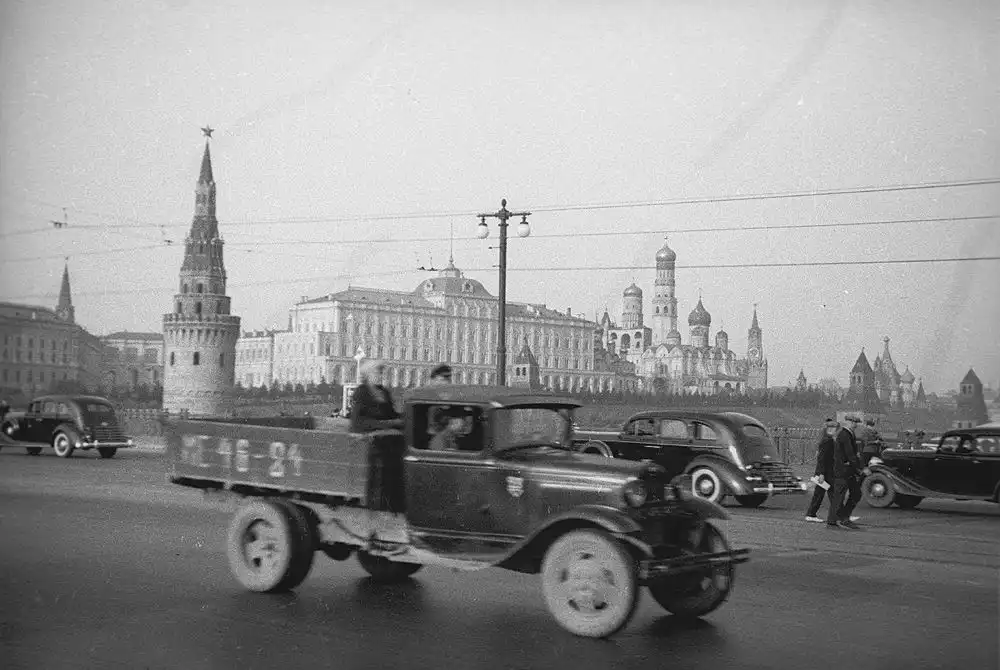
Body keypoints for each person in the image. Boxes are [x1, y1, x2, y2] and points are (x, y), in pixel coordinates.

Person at [827, 416, 865, 529]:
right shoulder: (845, 435)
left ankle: (840, 518)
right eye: (853, 422)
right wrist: (860, 468)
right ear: (847, 422)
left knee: (854, 494)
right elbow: (850, 454)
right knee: (840, 496)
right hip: (843, 470)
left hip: (847, 470)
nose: (855, 424)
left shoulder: (848, 434)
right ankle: (837, 520)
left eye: (856, 422)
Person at [349, 360, 403, 433]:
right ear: (367, 375)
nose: (381, 376)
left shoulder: (384, 392)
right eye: (377, 373)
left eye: (381, 373)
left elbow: (392, 415)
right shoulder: (361, 392)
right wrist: (389, 423)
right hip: (366, 435)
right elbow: (358, 422)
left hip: (385, 432)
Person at [805, 418, 837, 522]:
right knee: (825, 494)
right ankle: (811, 514)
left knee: (822, 494)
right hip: (825, 473)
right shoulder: (827, 441)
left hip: (825, 473)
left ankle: (811, 514)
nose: (833, 430)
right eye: (831, 428)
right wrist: (821, 474)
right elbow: (822, 458)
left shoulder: (827, 440)